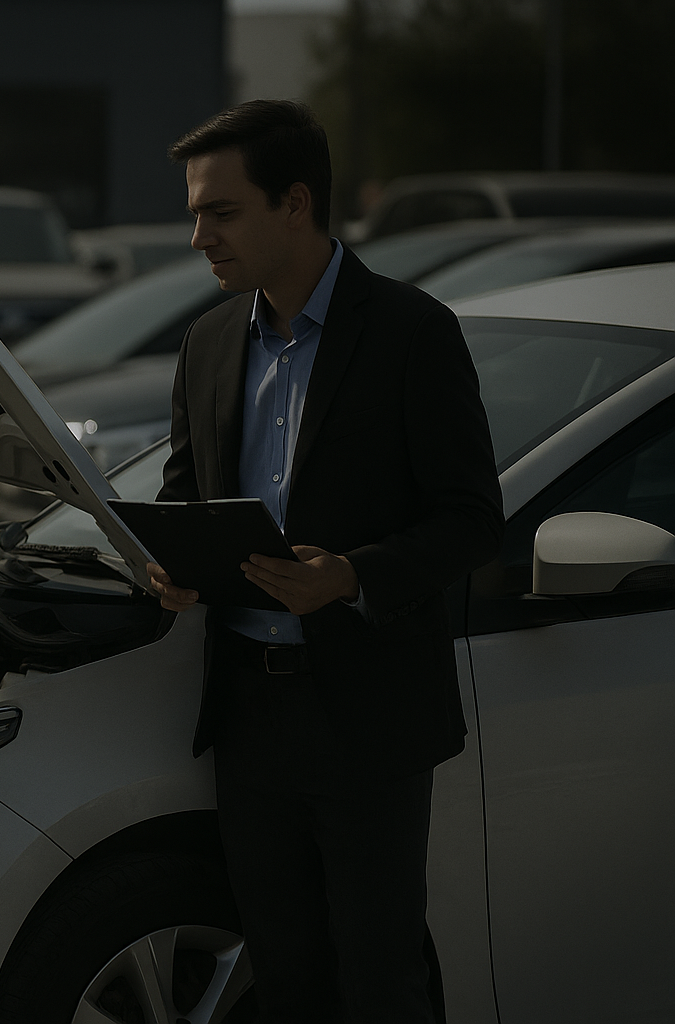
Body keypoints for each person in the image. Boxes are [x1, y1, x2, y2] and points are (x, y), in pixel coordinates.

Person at [145, 100, 503, 1021]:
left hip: (369, 716)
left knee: (380, 980)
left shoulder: (413, 331)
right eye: (195, 213)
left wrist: (348, 575)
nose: (198, 238)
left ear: (294, 203)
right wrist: (165, 568)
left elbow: (471, 519)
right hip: (249, 718)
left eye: (219, 213)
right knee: (286, 977)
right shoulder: (208, 341)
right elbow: (184, 504)